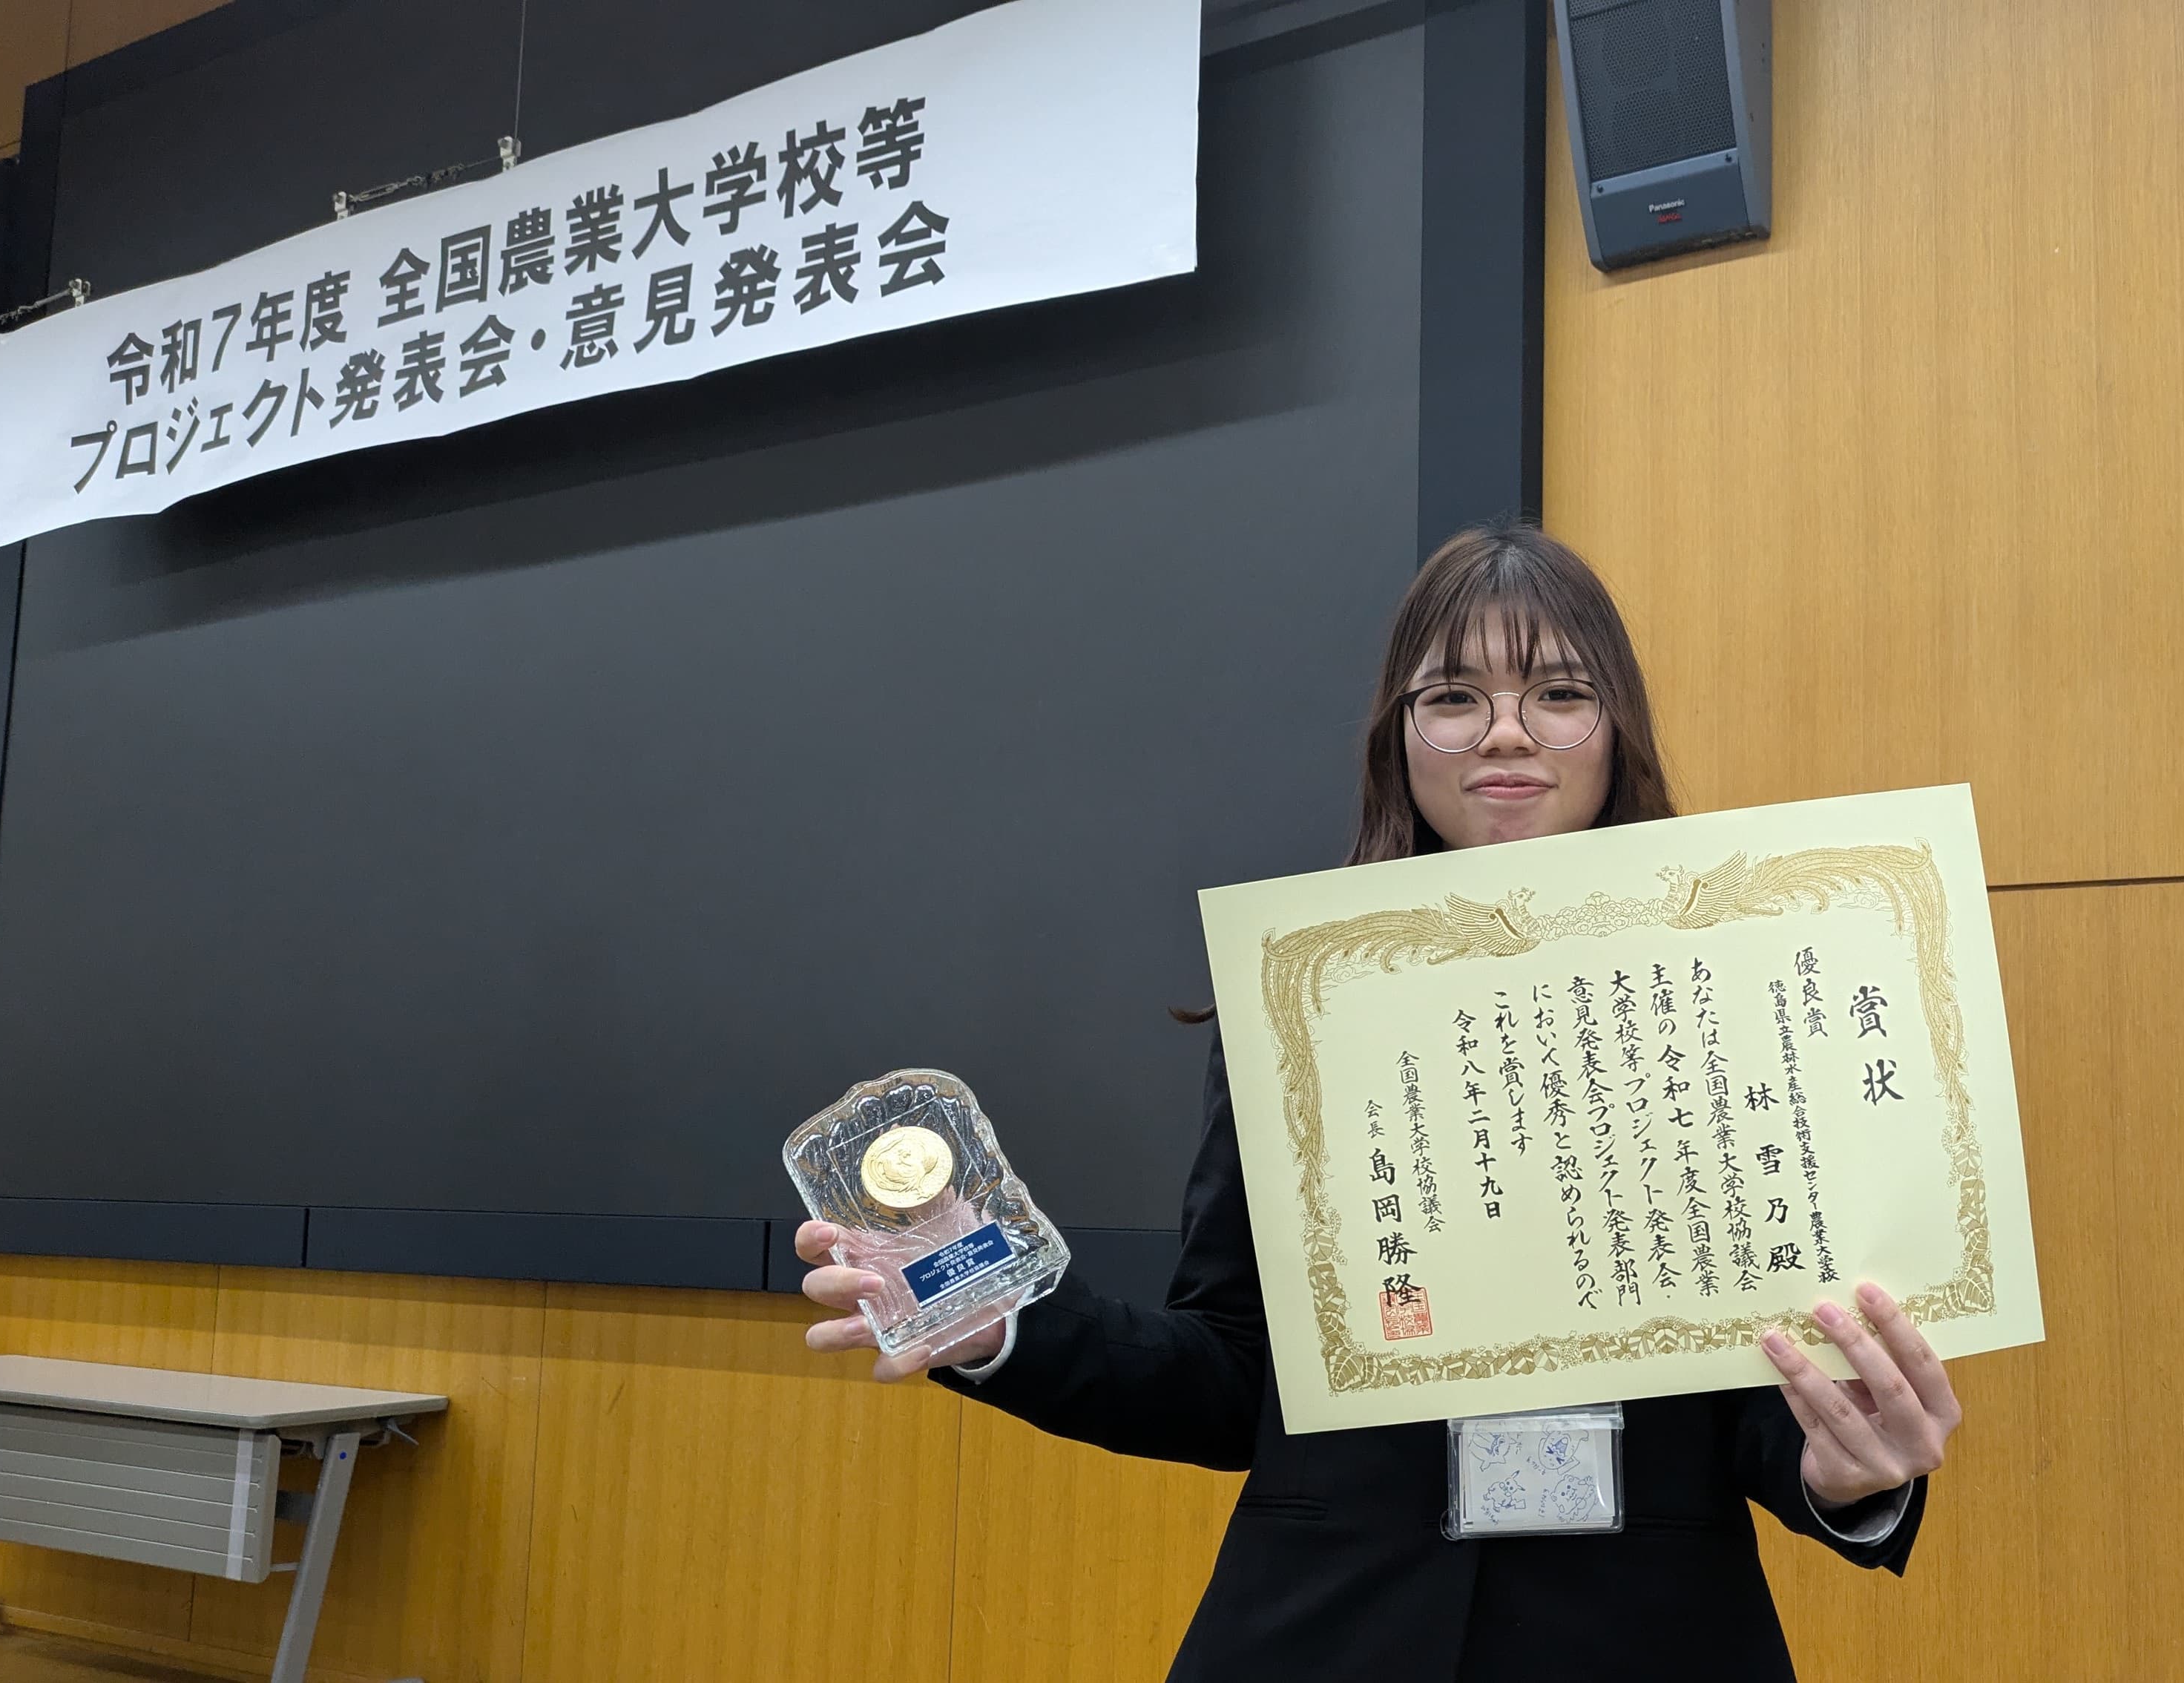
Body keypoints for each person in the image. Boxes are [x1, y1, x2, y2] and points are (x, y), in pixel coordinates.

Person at [796, 527, 1962, 1680]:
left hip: (1645, 1638)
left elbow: (1771, 1383)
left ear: (1619, 731)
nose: (1506, 731)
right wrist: (1007, 1322)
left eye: (1560, 693)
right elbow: (1229, 1376)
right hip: (1328, 1633)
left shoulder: (1744, 994)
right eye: (1454, 697)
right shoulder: (1301, 998)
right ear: (1398, 736)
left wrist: (1845, 1472)